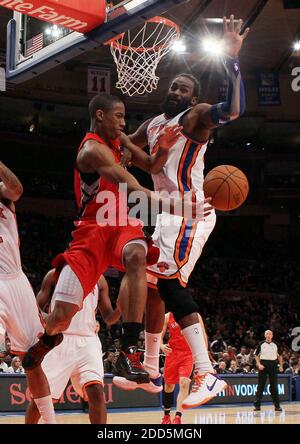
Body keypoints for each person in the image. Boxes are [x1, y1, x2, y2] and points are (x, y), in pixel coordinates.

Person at [22, 95, 211, 387]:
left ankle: (129, 349)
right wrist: (180, 207)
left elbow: (149, 164)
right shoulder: (92, 150)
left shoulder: (118, 139)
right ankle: (48, 338)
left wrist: (163, 147)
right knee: (60, 317)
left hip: (123, 222)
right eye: (119, 117)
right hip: (93, 230)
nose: (124, 123)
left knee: (137, 255)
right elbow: (134, 187)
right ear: (100, 115)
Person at [114, 14, 249, 408]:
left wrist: (232, 58)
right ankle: (152, 369)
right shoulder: (157, 123)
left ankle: (208, 373)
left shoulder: (194, 119)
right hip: (165, 214)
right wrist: (120, 149)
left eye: (183, 87)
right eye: (173, 84)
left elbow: (234, 109)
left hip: (191, 212)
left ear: (193, 98)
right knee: (154, 289)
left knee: (170, 286)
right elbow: (133, 154)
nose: (175, 90)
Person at [0, 160, 58, 423]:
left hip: (13, 281)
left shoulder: (3, 195)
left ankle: (50, 420)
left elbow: (17, 188)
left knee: (32, 361)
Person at [25, 270, 121, 424]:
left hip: (88, 340)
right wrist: (47, 319)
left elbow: (109, 318)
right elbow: (34, 309)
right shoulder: (53, 275)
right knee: (41, 400)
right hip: (58, 339)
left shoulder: (100, 279)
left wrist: (120, 308)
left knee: (96, 392)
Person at [160, 312, 197, 424]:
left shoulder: (191, 315)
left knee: (184, 383)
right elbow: (158, 335)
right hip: (172, 354)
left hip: (188, 354)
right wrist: (161, 346)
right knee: (169, 386)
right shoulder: (167, 317)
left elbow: (199, 335)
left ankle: (178, 417)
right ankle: (166, 416)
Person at [253, 330, 283, 412]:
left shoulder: (276, 344)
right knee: (261, 386)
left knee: (274, 386)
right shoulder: (261, 344)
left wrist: (281, 365)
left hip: (273, 365)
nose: (268, 335)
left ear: (272, 335)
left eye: (270, 334)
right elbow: (256, 355)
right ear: (265, 335)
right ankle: (257, 406)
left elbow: (280, 356)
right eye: (267, 334)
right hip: (263, 364)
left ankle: (277, 406)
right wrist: (259, 364)